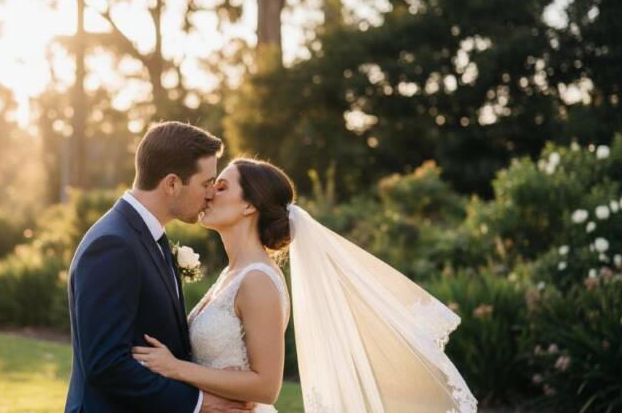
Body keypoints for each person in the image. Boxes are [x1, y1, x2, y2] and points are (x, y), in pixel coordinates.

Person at [133, 158, 478, 413]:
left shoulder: (258, 280)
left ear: (250, 205)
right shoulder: (232, 273)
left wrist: (176, 368)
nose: (209, 194)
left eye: (221, 186)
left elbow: (267, 386)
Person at [65, 121, 253, 413]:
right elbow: (105, 364)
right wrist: (199, 403)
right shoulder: (114, 245)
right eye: (206, 183)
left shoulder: (150, 237)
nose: (210, 194)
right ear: (172, 184)